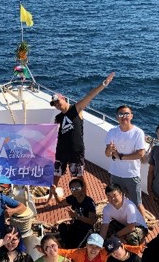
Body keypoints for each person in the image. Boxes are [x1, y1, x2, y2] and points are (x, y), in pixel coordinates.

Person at [47, 72, 115, 203]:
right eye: (54, 104)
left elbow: (90, 95)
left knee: (79, 176)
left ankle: (84, 199)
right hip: (61, 151)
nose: (57, 105)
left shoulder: (76, 109)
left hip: (76, 150)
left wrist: (104, 84)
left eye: (58, 102)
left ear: (64, 99)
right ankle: (51, 197)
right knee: (56, 175)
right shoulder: (58, 117)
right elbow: (54, 134)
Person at [104, 105, 147, 217]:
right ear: (117, 117)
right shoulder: (112, 132)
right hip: (115, 173)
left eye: (127, 114)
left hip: (131, 175)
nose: (124, 116)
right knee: (116, 200)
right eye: (121, 114)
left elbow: (141, 154)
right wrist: (110, 149)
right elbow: (107, 154)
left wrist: (122, 157)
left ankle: (143, 224)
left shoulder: (138, 133)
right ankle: (122, 219)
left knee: (137, 203)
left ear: (131, 116)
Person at [57, 178, 97, 248]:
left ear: (82, 188)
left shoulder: (89, 202)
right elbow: (60, 203)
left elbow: (92, 222)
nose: (75, 191)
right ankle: (66, 244)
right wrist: (54, 193)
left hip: (86, 228)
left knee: (74, 246)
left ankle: (68, 246)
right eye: (72, 189)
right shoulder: (72, 198)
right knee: (62, 226)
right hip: (76, 225)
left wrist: (77, 216)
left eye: (78, 188)